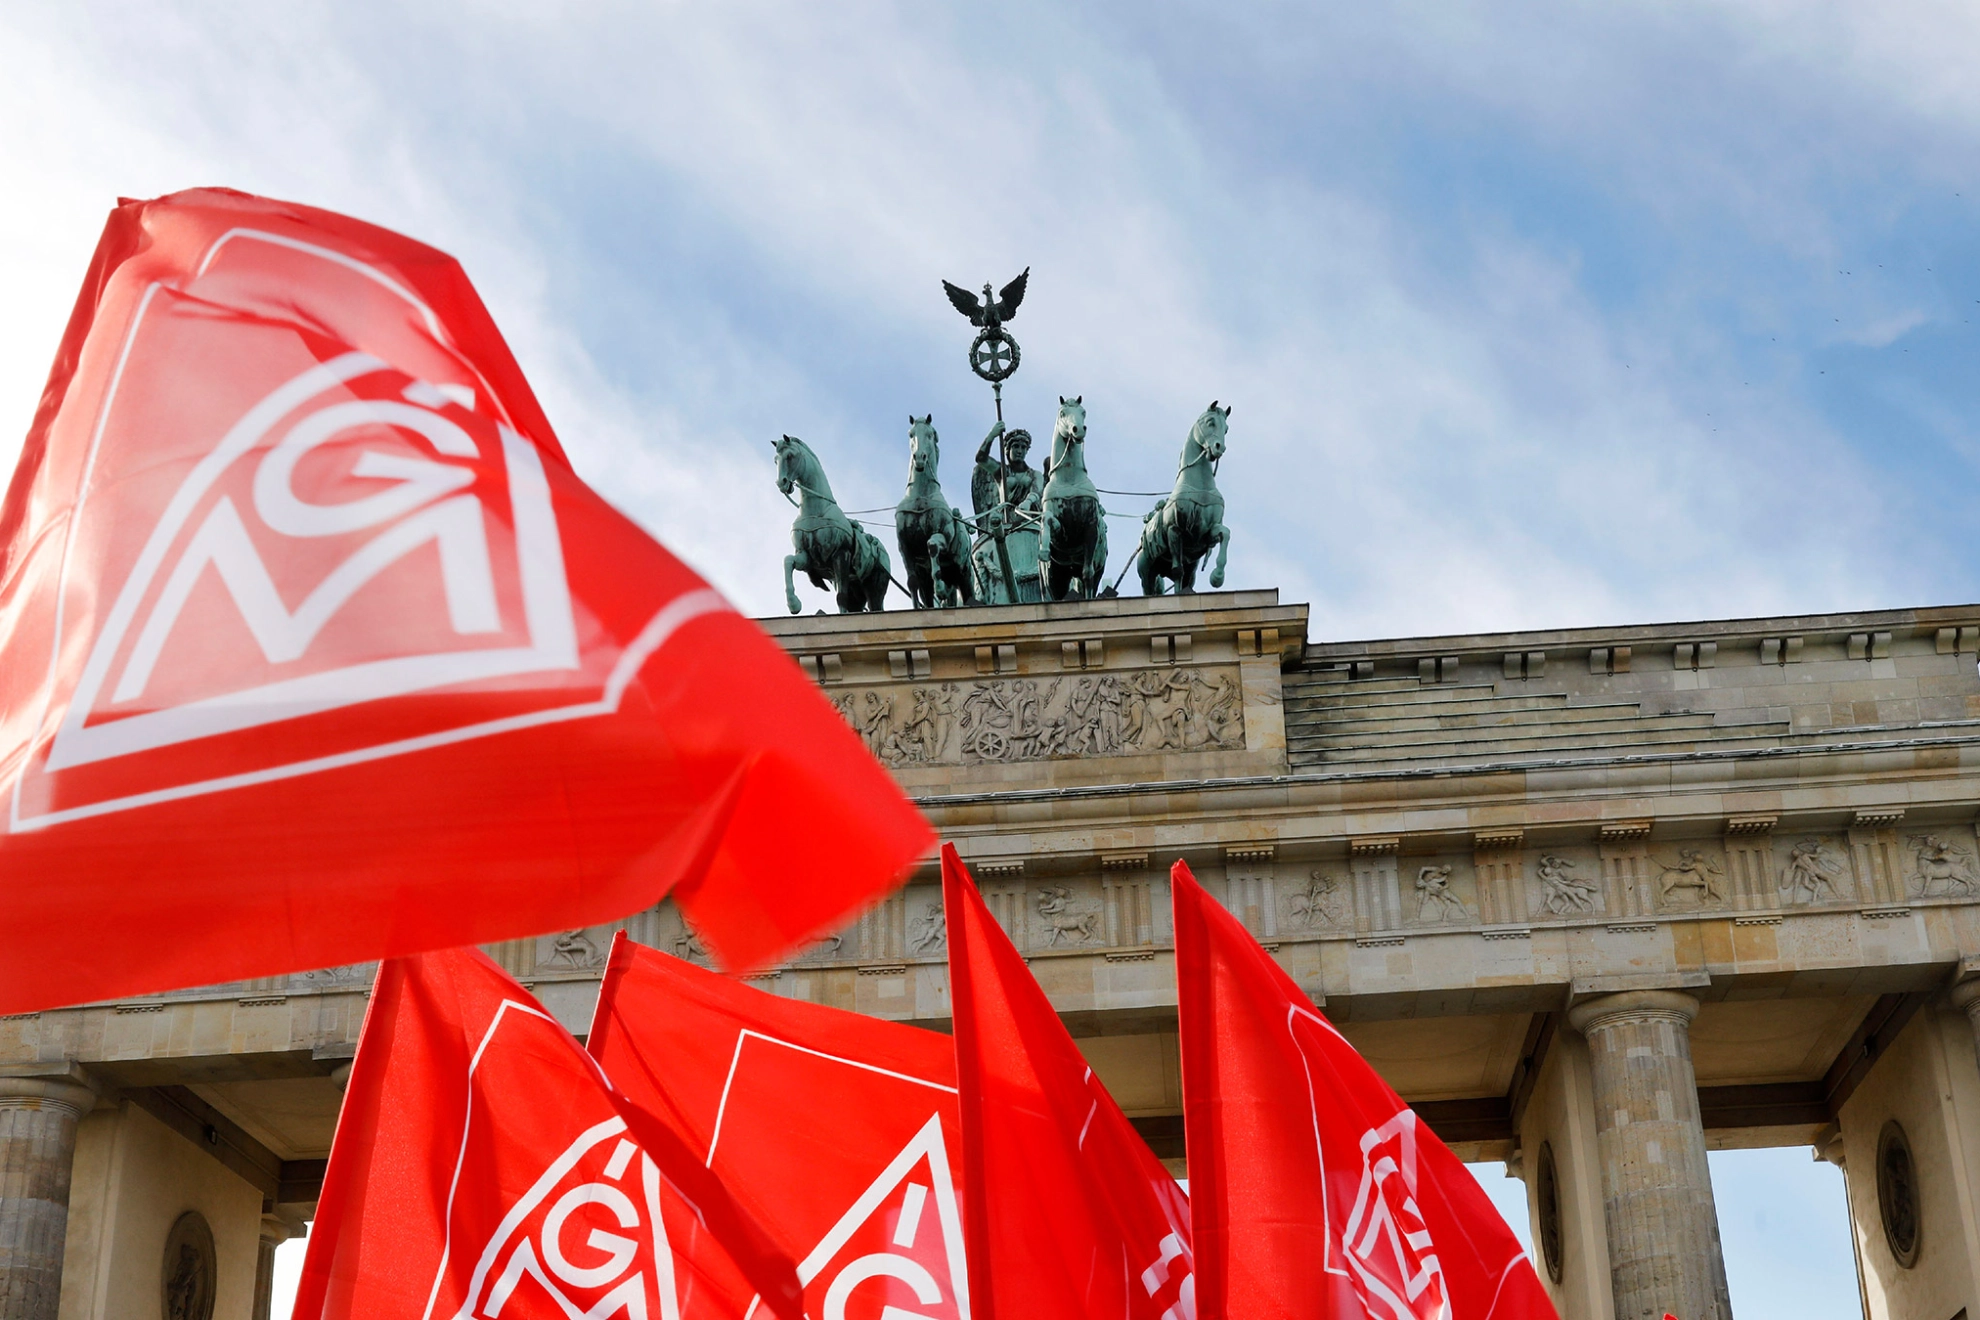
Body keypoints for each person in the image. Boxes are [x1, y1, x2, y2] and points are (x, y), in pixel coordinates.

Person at [971, 421, 1043, 603]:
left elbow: (1037, 491)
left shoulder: (1035, 474)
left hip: (1028, 523)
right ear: (1007, 449)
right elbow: (980, 458)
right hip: (1005, 525)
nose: (1019, 451)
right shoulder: (1001, 472)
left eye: (1023, 447)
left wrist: (1027, 502)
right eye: (1015, 446)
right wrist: (992, 434)